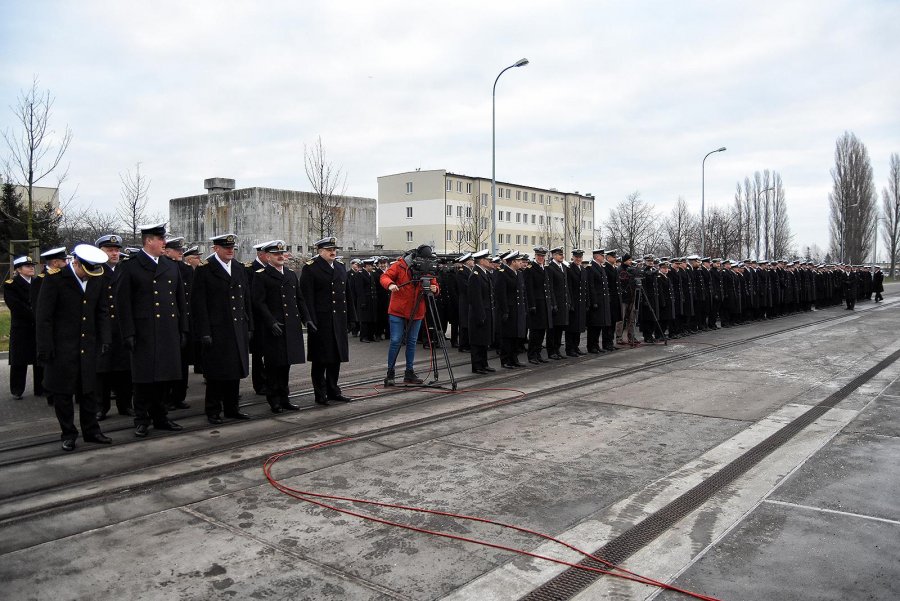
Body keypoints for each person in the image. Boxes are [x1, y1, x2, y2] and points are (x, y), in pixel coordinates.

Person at [35, 244, 112, 452]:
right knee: (63, 393)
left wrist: (105, 338)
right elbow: (44, 317)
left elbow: (102, 311)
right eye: (85, 271)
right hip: (61, 347)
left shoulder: (96, 278)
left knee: (88, 390)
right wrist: (45, 348)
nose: (88, 276)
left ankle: (92, 430)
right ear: (75, 262)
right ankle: (68, 433)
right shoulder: (55, 279)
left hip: (88, 345)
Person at [115, 222, 187, 438]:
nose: (164, 243)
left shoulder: (171, 265)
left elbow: (180, 300)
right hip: (143, 331)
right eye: (160, 239)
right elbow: (123, 303)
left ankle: (161, 416)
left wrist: (183, 329)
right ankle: (142, 419)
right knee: (144, 379)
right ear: (148, 241)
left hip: (167, 330)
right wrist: (127, 332)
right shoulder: (130, 266)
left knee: (165, 377)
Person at [191, 233, 253, 424]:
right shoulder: (205, 270)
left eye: (232, 248)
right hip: (217, 329)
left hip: (236, 327)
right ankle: (213, 410)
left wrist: (249, 325)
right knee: (217, 373)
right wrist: (204, 331)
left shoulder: (239, 268)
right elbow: (198, 304)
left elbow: (246, 299)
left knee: (235, 371)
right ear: (215, 249)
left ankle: (232, 408)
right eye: (226, 248)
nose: (230, 251)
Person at [251, 240, 314, 414]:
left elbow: (299, 299)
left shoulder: (291, 274)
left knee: (286, 364)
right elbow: (258, 302)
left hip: (291, 326)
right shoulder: (261, 275)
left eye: (282, 253)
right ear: (268, 257)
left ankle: (285, 398)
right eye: (276, 254)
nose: (280, 256)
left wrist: (306, 318)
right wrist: (270, 321)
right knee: (273, 365)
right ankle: (274, 400)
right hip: (274, 327)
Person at [300, 237, 354, 405]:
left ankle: (333, 390)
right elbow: (306, 297)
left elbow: (347, 294)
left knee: (336, 357)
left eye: (334, 249)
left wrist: (352, 318)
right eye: (329, 249)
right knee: (320, 359)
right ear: (320, 251)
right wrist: (308, 319)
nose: (333, 252)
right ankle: (320, 393)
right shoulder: (311, 269)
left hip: (338, 320)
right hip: (321, 321)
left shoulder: (339, 267)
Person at [378, 244, 440, 385]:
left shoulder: (428, 267)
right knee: (395, 340)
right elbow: (385, 276)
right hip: (398, 310)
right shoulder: (400, 265)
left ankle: (409, 372)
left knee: (412, 342)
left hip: (417, 309)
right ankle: (390, 372)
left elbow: (435, 286)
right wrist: (390, 285)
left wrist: (434, 289)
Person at [94, 234, 134, 420]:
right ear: (100, 251)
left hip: (122, 327)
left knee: (124, 369)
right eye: (110, 250)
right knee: (103, 371)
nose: (114, 253)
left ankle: (125, 405)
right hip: (103, 328)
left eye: (117, 250)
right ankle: (101, 407)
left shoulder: (124, 270)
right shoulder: (95, 271)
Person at [4, 255, 43, 399]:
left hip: (37, 327)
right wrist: (36, 315)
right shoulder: (11, 284)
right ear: (19, 269)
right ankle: (17, 389)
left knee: (39, 359)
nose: (31, 268)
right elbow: (16, 306)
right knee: (19, 360)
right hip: (22, 327)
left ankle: (41, 388)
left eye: (32, 265)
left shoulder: (38, 282)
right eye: (27, 266)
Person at [162, 236, 193, 410]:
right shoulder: (164, 268)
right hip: (169, 321)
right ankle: (166, 397)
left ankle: (179, 396)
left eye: (182, 250)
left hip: (184, 319)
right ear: (167, 252)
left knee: (182, 362)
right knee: (169, 363)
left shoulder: (186, 269)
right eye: (177, 250)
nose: (181, 252)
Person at [245, 241, 271, 395]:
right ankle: (259, 384)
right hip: (258, 319)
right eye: (268, 254)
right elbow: (249, 297)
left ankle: (269, 380)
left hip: (271, 319)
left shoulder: (272, 269)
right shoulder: (249, 269)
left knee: (270, 353)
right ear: (261, 254)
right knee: (258, 353)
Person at [466, 249, 496, 375]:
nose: (489, 261)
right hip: (479, 313)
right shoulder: (475, 275)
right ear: (482, 261)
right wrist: (480, 314)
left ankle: (484, 363)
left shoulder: (483, 273)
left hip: (486, 311)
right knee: (478, 340)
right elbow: (475, 298)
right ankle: (477, 365)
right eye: (487, 259)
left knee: (484, 340)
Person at [495, 251, 526, 368]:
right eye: (518, 261)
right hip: (508, 310)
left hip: (517, 309)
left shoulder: (519, 274)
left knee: (515, 336)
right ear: (512, 262)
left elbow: (522, 292)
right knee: (507, 336)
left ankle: (514, 358)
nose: (520, 263)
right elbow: (501, 294)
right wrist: (505, 311)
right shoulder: (503, 274)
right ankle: (505, 360)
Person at [585, 249, 611, 354]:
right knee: (593, 326)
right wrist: (594, 301)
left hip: (602, 300)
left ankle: (596, 345)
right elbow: (591, 286)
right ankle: (591, 346)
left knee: (599, 325)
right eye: (602, 255)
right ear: (597, 256)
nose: (603, 257)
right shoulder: (591, 268)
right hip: (596, 301)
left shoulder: (601, 267)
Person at [546, 247, 570, 359]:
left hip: (563, 302)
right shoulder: (550, 268)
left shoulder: (563, 267)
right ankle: (551, 351)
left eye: (562, 254)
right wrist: (553, 303)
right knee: (553, 329)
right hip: (556, 302)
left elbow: (566, 287)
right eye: (559, 254)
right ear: (554, 256)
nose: (562, 256)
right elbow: (550, 287)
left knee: (560, 328)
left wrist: (568, 301)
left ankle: (557, 350)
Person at [565, 249, 588, 356]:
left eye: (580, 257)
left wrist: (587, 302)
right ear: (573, 258)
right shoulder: (569, 269)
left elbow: (585, 288)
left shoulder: (583, 270)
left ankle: (576, 346)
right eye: (576, 257)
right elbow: (568, 288)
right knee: (572, 328)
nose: (578, 259)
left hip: (581, 302)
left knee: (579, 326)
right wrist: (571, 303)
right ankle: (570, 349)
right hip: (574, 302)